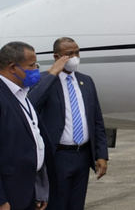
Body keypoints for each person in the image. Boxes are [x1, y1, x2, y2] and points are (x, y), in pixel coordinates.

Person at [29, 37, 108, 210]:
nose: (75, 57)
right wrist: (52, 73)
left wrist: (101, 155)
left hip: (82, 155)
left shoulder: (86, 81)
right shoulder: (44, 81)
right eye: (69, 54)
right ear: (57, 57)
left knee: (76, 204)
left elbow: (97, 120)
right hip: (58, 156)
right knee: (57, 204)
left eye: (77, 52)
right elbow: (32, 104)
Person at [0, 42, 49, 210]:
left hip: (28, 191)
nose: (36, 69)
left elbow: (33, 141)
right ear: (13, 67)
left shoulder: (22, 93)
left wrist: (39, 189)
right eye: (31, 65)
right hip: (8, 196)